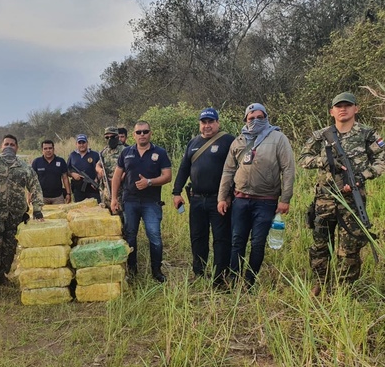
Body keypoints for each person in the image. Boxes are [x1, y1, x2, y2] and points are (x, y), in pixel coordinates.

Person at [299, 92, 385, 294]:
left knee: (350, 247)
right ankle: (321, 282)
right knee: (320, 243)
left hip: (353, 199)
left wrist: (361, 177)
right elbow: (304, 158)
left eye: (348, 105)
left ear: (357, 108)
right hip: (325, 198)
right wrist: (324, 161)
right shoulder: (321, 135)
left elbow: (381, 160)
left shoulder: (368, 134)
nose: (343, 109)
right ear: (332, 111)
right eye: (338, 106)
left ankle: (344, 289)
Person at [217, 103, 295, 288]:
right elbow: (228, 171)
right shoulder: (238, 142)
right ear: (245, 120)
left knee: (258, 243)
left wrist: (285, 199)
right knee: (237, 241)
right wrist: (222, 197)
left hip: (266, 201)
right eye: (251, 118)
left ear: (266, 117)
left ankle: (249, 282)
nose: (255, 121)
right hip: (240, 200)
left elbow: (288, 170)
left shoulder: (278, 138)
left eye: (260, 117)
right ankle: (234, 280)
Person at [0, 134, 45, 293]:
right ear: (1, 146)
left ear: (17, 148)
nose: (9, 147)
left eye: (12, 144)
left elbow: (35, 187)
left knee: (10, 248)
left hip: (16, 215)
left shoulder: (24, 167)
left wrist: (37, 209)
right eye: (6, 144)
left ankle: (1, 275)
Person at [173, 108, 235, 286]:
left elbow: (236, 170)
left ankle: (220, 277)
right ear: (200, 124)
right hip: (197, 199)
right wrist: (176, 192)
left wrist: (229, 195)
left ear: (217, 123)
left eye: (210, 122)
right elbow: (184, 168)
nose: (207, 126)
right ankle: (199, 272)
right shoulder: (193, 142)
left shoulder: (228, 141)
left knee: (221, 238)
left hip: (219, 200)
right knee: (198, 236)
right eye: (203, 122)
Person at [111, 121, 172, 282]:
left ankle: (157, 271)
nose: (142, 135)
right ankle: (132, 270)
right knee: (130, 236)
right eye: (139, 132)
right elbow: (117, 177)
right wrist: (113, 198)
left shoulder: (160, 152)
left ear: (150, 133)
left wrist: (149, 182)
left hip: (151, 202)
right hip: (129, 201)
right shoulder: (126, 153)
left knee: (155, 237)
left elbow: (167, 176)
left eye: (145, 131)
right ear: (134, 135)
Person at [31, 140, 71, 204]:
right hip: (41, 197)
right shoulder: (36, 162)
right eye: (45, 148)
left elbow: (65, 178)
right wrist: (30, 194)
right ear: (42, 150)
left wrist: (68, 193)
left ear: (53, 149)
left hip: (58, 198)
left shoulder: (61, 161)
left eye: (50, 148)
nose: (48, 150)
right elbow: (32, 180)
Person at [97, 127, 126, 211]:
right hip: (106, 190)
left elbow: (130, 168)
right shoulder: (104, 152)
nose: (109, 139)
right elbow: (97, 165)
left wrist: (121, 177)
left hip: (121, 190)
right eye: (107, 137)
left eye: (112, 137)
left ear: (117, 137)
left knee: (121, 215)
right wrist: (100, 170)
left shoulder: (124, 150)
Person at [67, 134, 101, 203]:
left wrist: (96, 180)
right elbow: (67, 169)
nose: (82, 145)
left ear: (87, 143)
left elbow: (100, 169)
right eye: (79, 143)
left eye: (83, 142)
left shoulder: (95, 155)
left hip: (93, 189)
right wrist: (72, 174)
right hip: (78, 190)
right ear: (76, 144)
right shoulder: (72, 155)